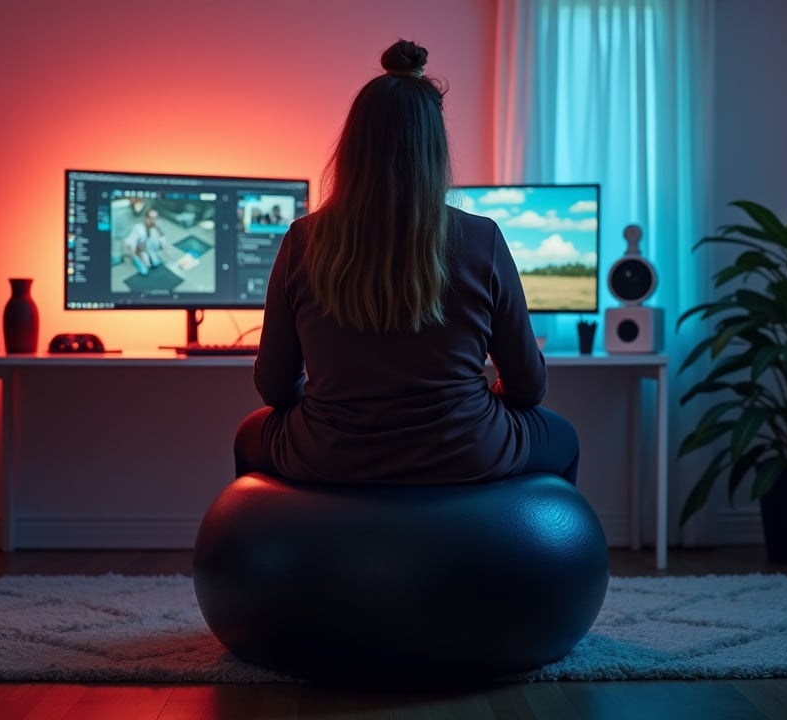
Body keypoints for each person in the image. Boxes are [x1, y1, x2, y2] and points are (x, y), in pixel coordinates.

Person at [233, 39, 579, 487]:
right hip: (466, 450)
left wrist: (328, 407)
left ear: (353, 147)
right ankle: (524, 553)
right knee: (563, 436)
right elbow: (529, 387)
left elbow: (275, 388)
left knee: (249, 434)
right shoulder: (482, 238)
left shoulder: (303, 240)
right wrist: (484, 398)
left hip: (330, 453)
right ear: (435, 150)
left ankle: (281, 553)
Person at [122, 208, 170, 276]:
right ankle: (137, 261)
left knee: (156, 263)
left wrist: (165, 248)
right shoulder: (138, 228)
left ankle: (151, 257)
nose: (153, 220)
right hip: (139, 251)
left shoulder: (156, 227)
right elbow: (129, 242)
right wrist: (133, 255)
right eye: (151, 218)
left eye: (155, 218)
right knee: (145, 270)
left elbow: (162, 239)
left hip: (149, 248)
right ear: (146, 218)